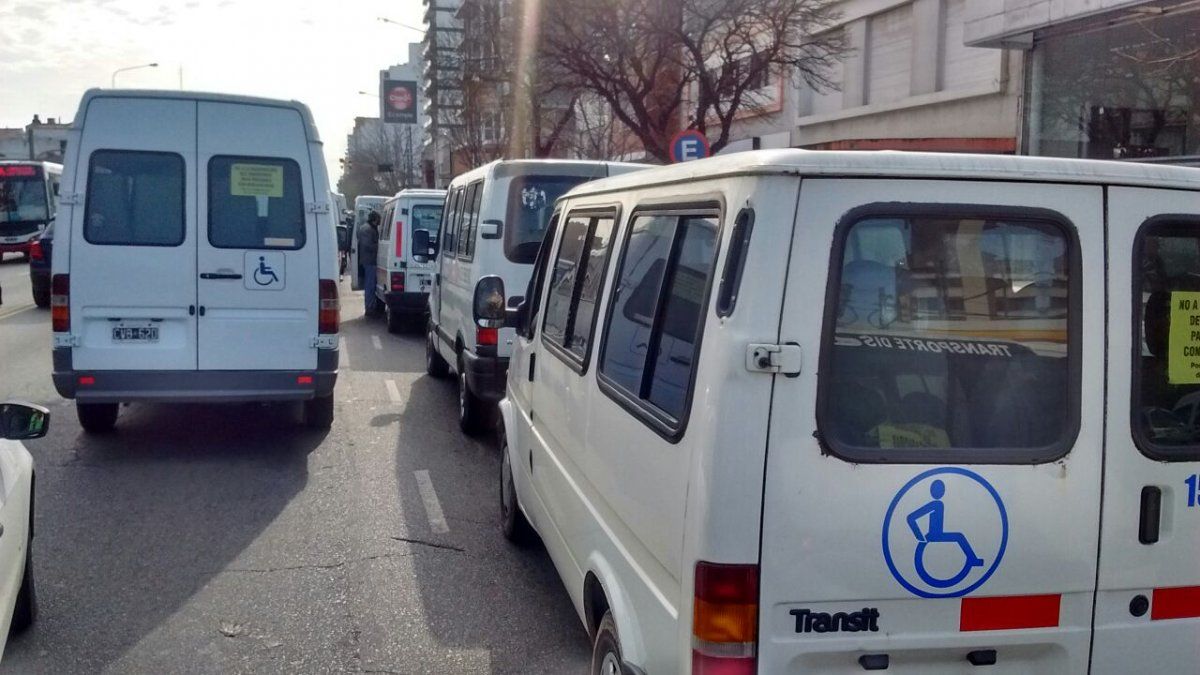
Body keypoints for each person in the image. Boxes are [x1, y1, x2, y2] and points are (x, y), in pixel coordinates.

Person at [358, 211, 380, 314]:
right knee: (370, 285)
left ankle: (371, 306)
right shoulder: (367, 229)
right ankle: (369, 307)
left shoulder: (367, 228)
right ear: (374, 219)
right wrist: (380, 246)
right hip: (369, 261)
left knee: (370, 285)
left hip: (369, 260)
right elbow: (368, 245)